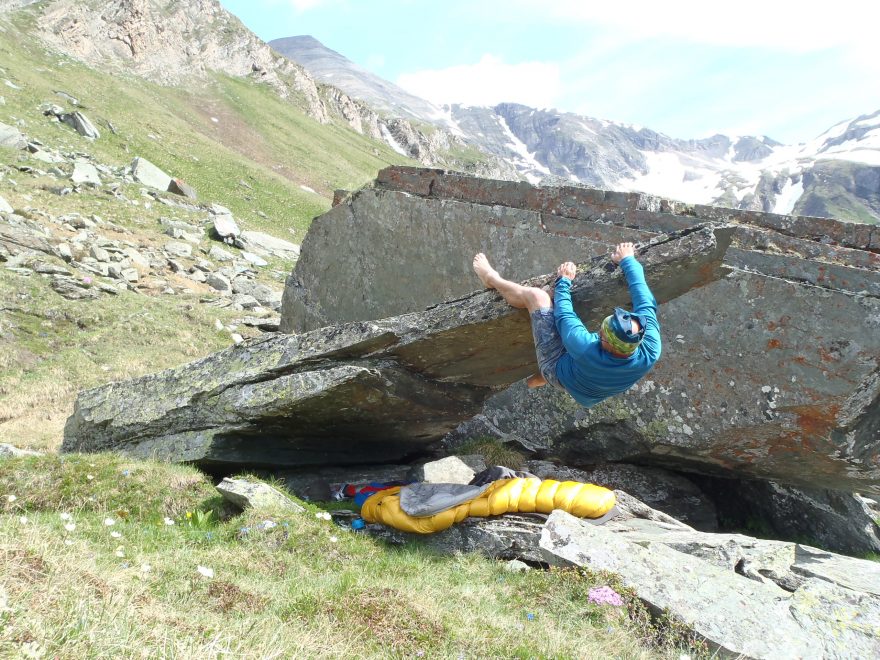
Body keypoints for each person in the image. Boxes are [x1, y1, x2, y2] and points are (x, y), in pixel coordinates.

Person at [472, 242, 661, 408]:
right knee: (575, 370)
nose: (599, 331)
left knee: (537, 297)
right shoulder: (650, 347)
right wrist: (628, 260)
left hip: (557, 369)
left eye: (602, 332)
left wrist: (564, 281)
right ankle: (537, 380)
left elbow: (563, 315)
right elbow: (645, 299)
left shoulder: (585, 348)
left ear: (606, 342)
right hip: (588, 390)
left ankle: (491, 278)